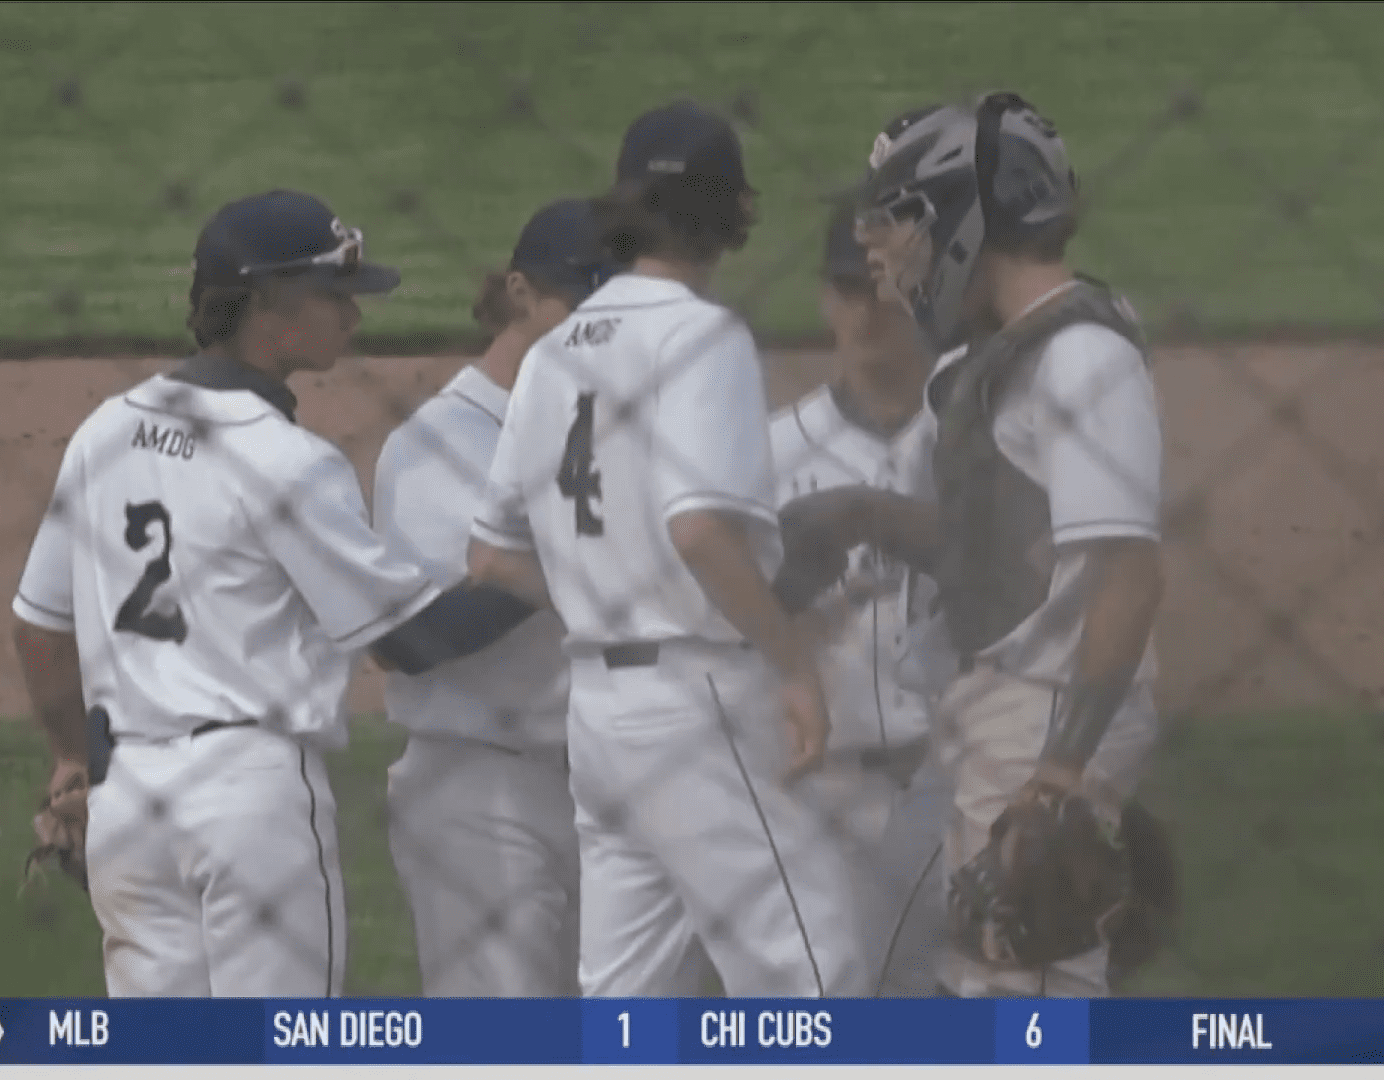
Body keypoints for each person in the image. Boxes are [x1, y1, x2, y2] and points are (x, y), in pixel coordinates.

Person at [10, 190, 533, 996]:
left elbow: (40, 629)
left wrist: (71, 759)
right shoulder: (288, 462)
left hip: (129, 803)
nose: (354, 320)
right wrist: (553, 572)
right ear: (268, 310)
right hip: (249, 806)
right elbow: (408, 642)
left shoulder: (104, 431)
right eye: (335, 298)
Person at [466, 100, 871, 998]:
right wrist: (795, 661)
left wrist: (603, 596)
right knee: (815, 976)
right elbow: (700, 529)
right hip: (701, 706)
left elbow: (488, 557)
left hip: (598, 720)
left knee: (625, 1005)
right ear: (732, 215)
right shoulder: (702, 335)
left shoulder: (553, 351)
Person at [783, 93, 1165, 998]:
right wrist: (866, 515)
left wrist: (1060, 773)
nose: (883, 256)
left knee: (1021, 993)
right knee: (918, 973)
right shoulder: (1008, 355)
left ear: (960, 217)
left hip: (1044, 715)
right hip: (993, 709)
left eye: (899, 222)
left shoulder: (1083, 361)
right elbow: (1002, 545)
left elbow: (1128, 575)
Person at [373, 198, 621, 997]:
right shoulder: (437, 443)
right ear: (521, 294)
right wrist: (574, 551)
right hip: (485, 792)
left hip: (618, 786)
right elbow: (414, 639)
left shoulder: (614, 427)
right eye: (585, 297)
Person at [766, 201, 952, 997]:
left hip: (955, 782)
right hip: (820, 797)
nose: (868, 311)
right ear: (824, 299)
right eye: (850, 289)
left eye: (882, 288)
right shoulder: (770, 449)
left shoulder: (976, 441)